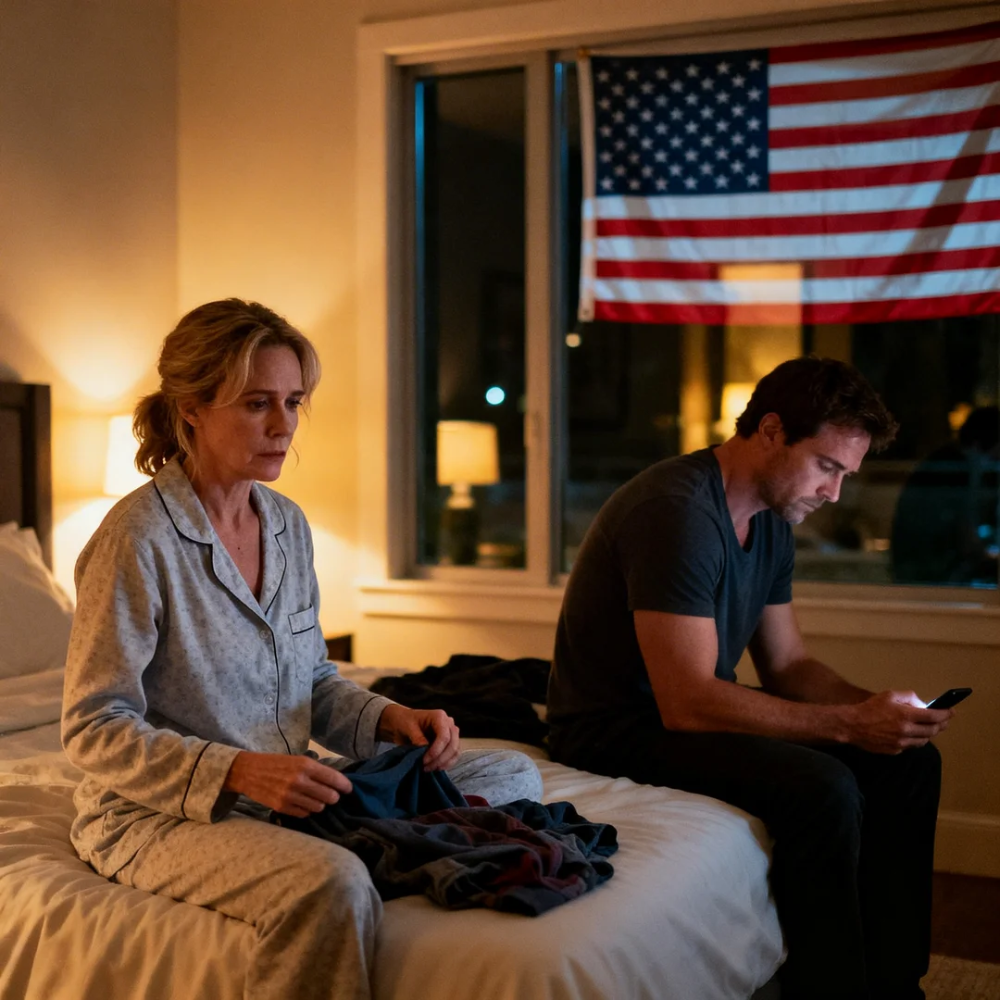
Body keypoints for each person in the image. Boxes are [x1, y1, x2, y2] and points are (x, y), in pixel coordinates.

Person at [61, 299, 541, 1000]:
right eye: (257, 403)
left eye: (292, 402)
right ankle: (355, 851)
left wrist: (390, 719)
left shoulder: (286, 524)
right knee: (331, 882)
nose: (283, 425)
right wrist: (236, 771)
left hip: (288, 789)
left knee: (512, 774)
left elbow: (311, 681)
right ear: (191, 408)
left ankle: (359, 839)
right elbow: (92, 726)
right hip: (157, 814)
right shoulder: (136, 541)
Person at [546, 356, 953, 1000]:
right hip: (613, 727)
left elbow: (788, 665)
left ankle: (896, 986)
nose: (833, 493)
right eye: (826, 466)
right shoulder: (675, 511)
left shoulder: (771, 519)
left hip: (683, 710)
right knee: (823, 787)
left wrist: (879, 711)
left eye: (845, 475)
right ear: (770, 430)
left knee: (910, 762)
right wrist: (848, 727)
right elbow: (686, 702)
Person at [892, 405, 999, 586]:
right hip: (927, 574)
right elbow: (965, 538)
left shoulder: (947, 461)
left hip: (916, 571)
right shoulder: (954, 468)